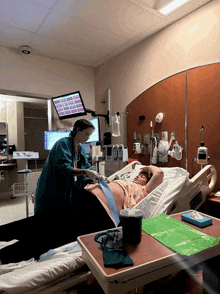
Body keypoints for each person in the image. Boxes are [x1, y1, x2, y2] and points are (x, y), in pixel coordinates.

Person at [0, 166, 163, 265]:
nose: (137, 176)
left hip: (102, 213)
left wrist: (147, 168)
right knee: (42, 220)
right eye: (137, 174)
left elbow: (159, 173)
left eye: (142, 176)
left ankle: (4, 256)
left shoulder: (144, 191)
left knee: (52, 234)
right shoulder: (124, 181)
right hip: (86, 197)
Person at [34, 119, 95, 216]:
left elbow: (86, 166)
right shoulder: (63, 144)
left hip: (66, 191)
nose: (88, 138)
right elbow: (64, 169)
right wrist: (86, 172)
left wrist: (98, 176)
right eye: (86, 134)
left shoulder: (81, 149)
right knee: (48, 219)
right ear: (78, 129)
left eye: (90, 135)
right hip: (52, 189)